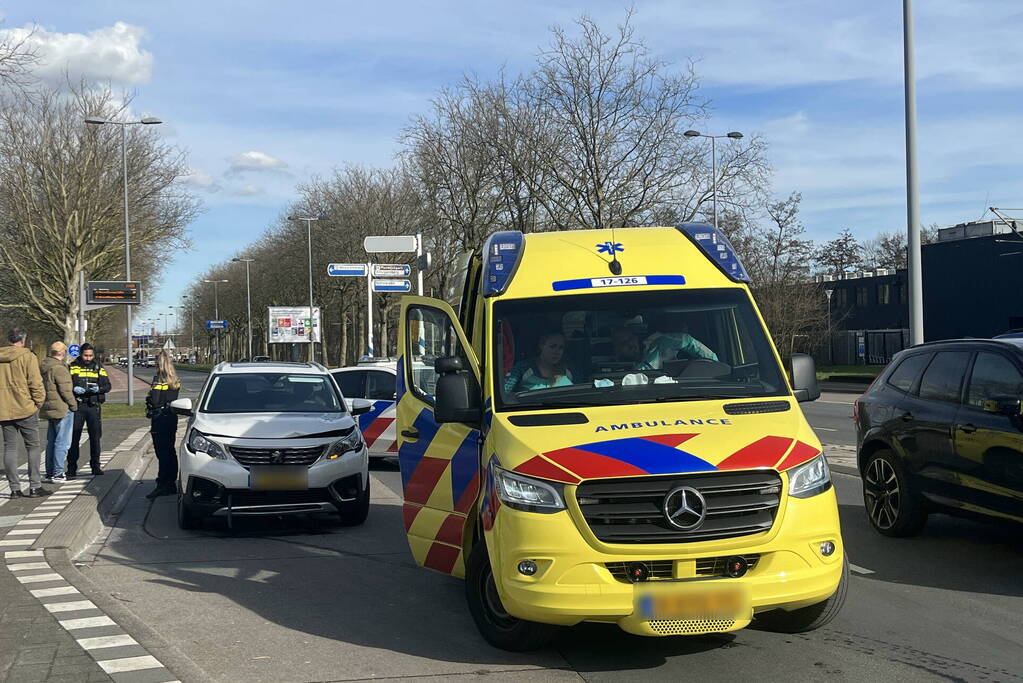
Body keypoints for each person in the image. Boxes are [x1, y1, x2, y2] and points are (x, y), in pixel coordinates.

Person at [0, 327, 49, 498]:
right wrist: (38, 403)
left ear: (9, 340)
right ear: (23, 340)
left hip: (4, 409)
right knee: (33, 447)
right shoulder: (28, 356)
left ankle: (14, 489)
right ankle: (35, 486)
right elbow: (36, 383)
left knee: (9, 448)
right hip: (26, 408)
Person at [67, 343, 111, 479]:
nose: (88, 358)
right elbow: (67, 384)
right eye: (85, 355)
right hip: (78, 406)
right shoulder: (73, 367)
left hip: (93, 405)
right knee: (74, 438)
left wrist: (100, 389)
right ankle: (71, 468)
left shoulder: (98, 367)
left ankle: (95, 466)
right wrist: (73, 388)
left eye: (90, 355)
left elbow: (107, 385)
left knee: (95, 437)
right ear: (81, 354)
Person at [145, 351, 180, 499]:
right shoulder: (175, 379)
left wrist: (149, 397)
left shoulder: (159, 379)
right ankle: (171, 484)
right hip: (171, 417)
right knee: (170, 452)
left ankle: (162, 484)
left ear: (159, 363)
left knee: (161, 453)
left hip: (159, 418)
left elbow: (155, 400)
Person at [40, 341, 77, 484]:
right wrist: (73, 405)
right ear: (63, 353)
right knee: (62, 442)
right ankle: (58, 472)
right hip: (62, 408)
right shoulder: (59, 369)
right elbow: (66, 391)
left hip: (49, 407)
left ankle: (49, 472)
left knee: (51, 441)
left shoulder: (44, 366)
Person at [611, 326, 718, 371]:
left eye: (631, 338)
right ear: (617, 350)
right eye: (623, 343)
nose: (630, 344)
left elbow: (687, 340)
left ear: (636, 337)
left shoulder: (659, 342)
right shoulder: (615, 372)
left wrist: (715, 365)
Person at [503, 331, 574, 393]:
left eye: (561, 347)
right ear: (541, 345)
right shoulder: (522, 368)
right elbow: (505, 393)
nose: (557, 352)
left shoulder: (567, 372)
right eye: (552, 346)